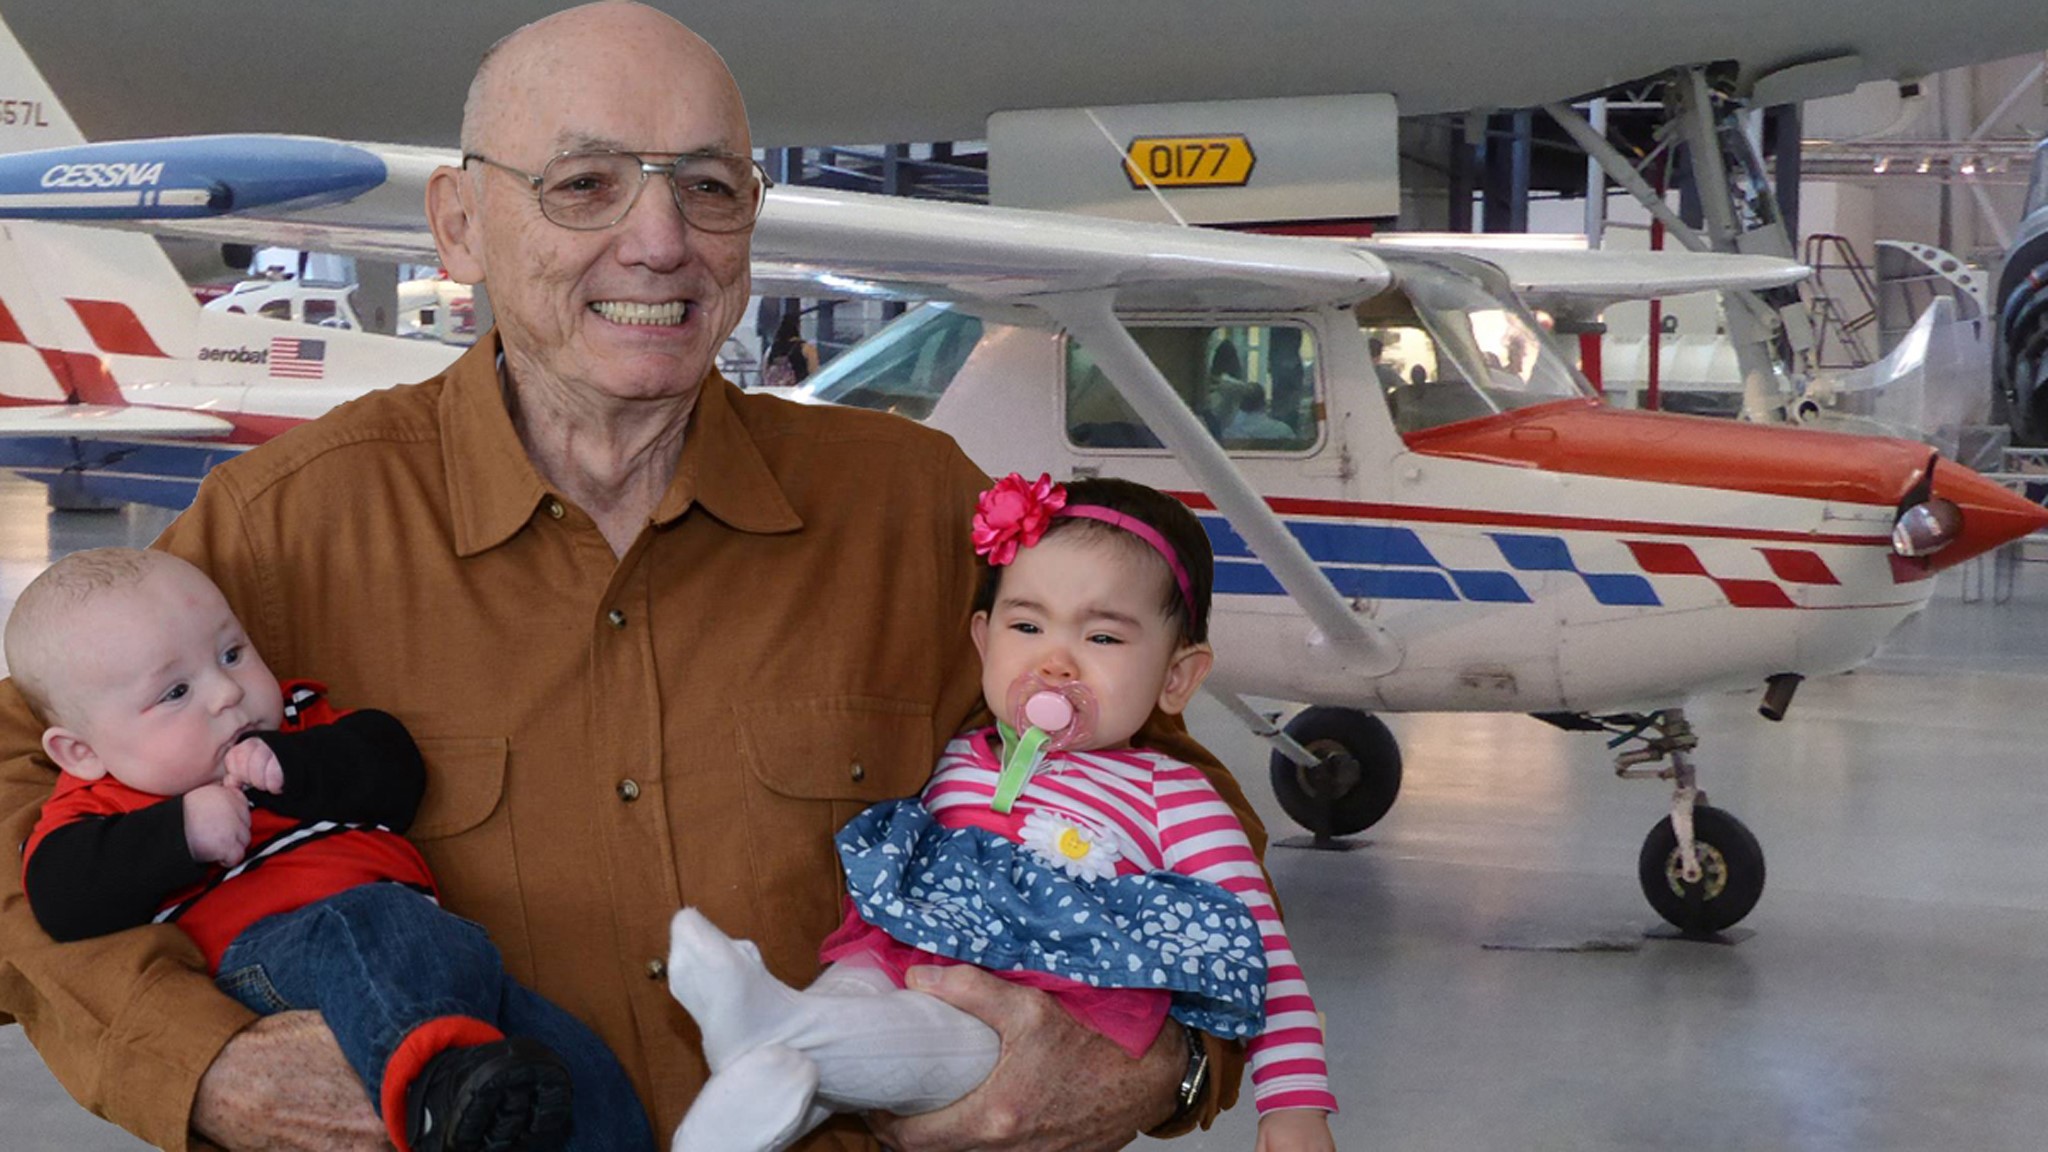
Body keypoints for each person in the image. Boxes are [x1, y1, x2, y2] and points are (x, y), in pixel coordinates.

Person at [0, 4, 1263, 1149]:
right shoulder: (287, 528)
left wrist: (1159, 1065)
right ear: (459, 224)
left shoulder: (914, 511)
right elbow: (17, 800)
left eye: (708, 188)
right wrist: (207, 1065)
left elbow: (1173, 792)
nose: (657, 243)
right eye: (583, 184)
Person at [665, 475, 1337, 1152]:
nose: (1054, 663)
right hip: (907, 952)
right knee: (855, 985)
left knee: (930, 1030)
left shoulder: (1176, 797)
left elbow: (1262, 957)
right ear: (984, 643)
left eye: (1102, 638)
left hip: (1037, 1013)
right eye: (1026, 625)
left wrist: (1295, 1107)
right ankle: (749, 1090)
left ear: (1176, 679)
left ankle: (769, 1030)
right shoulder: (956, 755)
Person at [8, 548, 652, 1152]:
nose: (225, 693)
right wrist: (180, 833)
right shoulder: (99, 801)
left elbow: (395, 768)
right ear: (81, 751)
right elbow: (63, 899)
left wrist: (293, 766)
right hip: (275, 965)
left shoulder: (297, 720)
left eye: (232, 653)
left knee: (567, 1060)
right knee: (373, 921)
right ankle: (432, 1098)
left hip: (426, 958)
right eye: (175, 693)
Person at [762, 310, 818, 389]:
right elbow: (814, 374)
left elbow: (765, 375)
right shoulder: (806, 348)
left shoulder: (770, 350)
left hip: (776, 394)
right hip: (798, 393)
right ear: (798, 327)